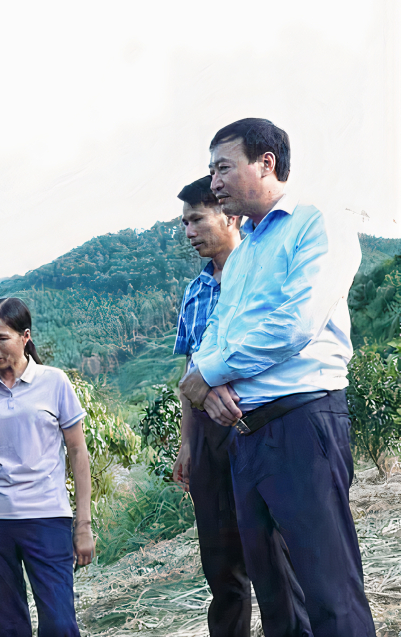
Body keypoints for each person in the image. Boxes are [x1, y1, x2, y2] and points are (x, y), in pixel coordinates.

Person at [179, 118, 375, 637]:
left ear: (266, 163)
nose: (215, 181)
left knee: (329, 590)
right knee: (277, 596)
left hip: (302, 422)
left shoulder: (317, 223)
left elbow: (296, 323)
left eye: (223, 167)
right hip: (249, 435)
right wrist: (211, 382)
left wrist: (210, 373)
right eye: (211, 170)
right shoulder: (245, 255)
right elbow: (220, 331)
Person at [0, 297, 93, 637]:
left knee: (59, 624)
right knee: (9, 627)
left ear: (24, 337)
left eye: (1, 338)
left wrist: (83, 524)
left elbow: (78, 453)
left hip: (46, 517)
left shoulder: (54, 382)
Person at [170, 175, 252, 637]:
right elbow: (189, 373)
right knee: (219, 561)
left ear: (229, 215)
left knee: (271, 550)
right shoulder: (195, 292)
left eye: (197, 219)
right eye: (184, 223)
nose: (188, 232)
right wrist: (188, 443)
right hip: (207, 430)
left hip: (253, 420)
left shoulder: (257, 274)